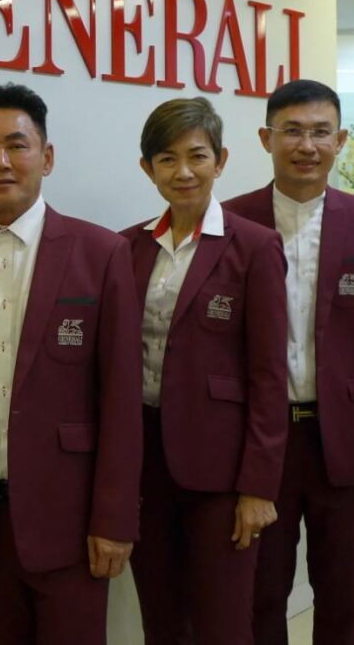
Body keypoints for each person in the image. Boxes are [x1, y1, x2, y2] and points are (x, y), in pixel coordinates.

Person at [0, 83, 142, 645]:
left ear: (47, 156)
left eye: (17, 145)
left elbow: (120, 399)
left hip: (72, 523)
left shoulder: (101, 253)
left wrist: (114, 520)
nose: (2, 161)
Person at [222, 78, 354, 645]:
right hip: (262, 443)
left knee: (343, 594)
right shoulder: (232, 221)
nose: (307, 146)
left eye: (321, 132)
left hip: (345, 440)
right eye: (293, 131)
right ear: (266, 139)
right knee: (260, 592)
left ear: (341, 141)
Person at [121, 98, 290, 645]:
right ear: (147, 168)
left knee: (223, 622)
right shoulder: (126, 247)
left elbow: (269, 376)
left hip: (222, 471)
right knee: (161, 618)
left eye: (197, 156)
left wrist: (258, 488)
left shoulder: (255, 247)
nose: (183, 171)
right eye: (166, 159)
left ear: (221, 161)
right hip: (144, 463)